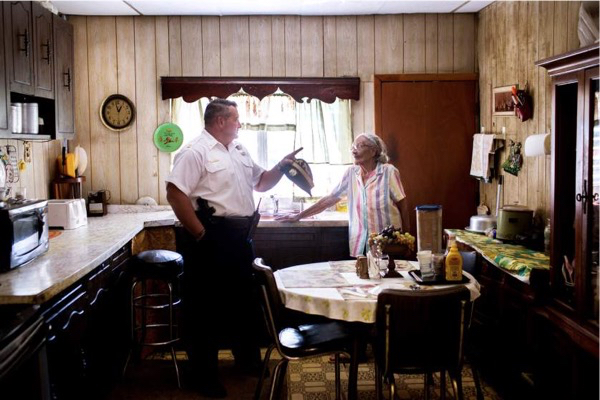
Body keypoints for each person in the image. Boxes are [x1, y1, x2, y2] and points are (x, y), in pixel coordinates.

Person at [166, 98, 300, 398]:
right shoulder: (194, 151)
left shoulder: (238, 149)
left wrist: (281, 166)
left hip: (240, 238)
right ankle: (203, 376)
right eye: (236, 119)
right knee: (205, 310)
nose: (240, 124)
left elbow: (262, 183)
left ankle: (247, 363)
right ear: (220, 121)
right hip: (211, 236)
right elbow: (175, 194)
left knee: (244, 303)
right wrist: (201, 235)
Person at [277, 133, 410, 257]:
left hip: (387, 243)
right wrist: (299, 215)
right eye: (353, 147)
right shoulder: (351, 173)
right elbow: (330, 199)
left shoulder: (388, 171)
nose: (354, 150)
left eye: (360, 146)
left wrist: (406, 239)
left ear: (374, 151)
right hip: (360, 243)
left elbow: (402, 203)